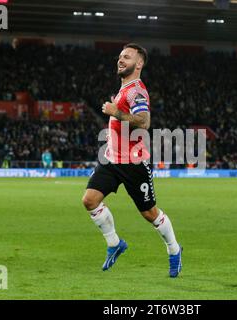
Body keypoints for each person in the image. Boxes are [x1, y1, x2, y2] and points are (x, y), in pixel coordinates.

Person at [81, 43, 182, 277]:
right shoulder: (123, 88)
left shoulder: (137, 90)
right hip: (111, 158)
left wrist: (116, 112)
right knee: (89, 200)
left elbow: (144, 122)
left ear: (139, 64)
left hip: (134, 163)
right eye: (119, 56)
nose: (120, 59)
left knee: (150, 214)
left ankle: (174, 249)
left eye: (126, 57)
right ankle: (115, 243)